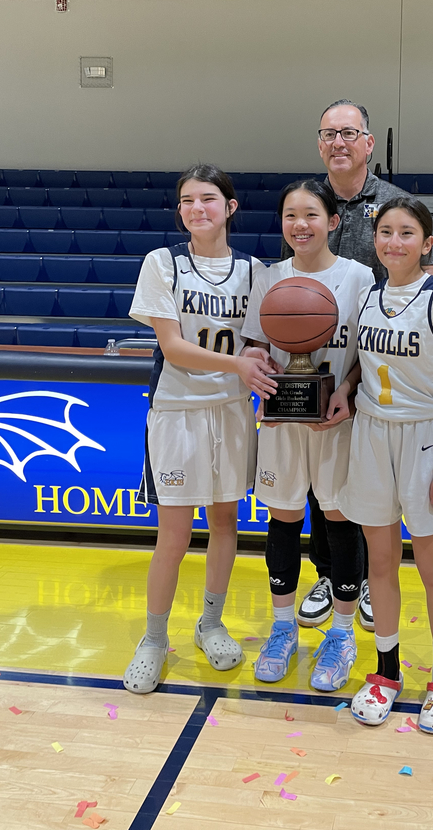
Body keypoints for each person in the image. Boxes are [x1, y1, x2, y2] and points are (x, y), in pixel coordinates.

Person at [123, 164, 279, 694]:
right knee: (174, 533)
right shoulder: (162, 263)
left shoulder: (255, 271)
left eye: (208, 198)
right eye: (187, 200)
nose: (196, 208)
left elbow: (259, 343)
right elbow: (171, 346)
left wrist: (257, 363)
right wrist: (239, 364)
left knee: (226, 523)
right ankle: (152, 638)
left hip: (232, 411)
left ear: (230, 207)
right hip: (177, 410)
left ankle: (210, 623)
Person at [285, 100, 433, 631]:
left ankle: (373, 579)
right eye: (329, 134)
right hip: (319, 365)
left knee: (369, 485)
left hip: (375, 368)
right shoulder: (308, 202)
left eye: (349, 133)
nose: (339, 142)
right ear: (319, 143)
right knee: (322, 484)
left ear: (369, 143)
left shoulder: (395, 203)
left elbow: (422, 281)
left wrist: (357, 380)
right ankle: (329, 575)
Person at [338, 197, 433, 733]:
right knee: (379, 564)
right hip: (371, 434)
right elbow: (363, 364)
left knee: (432, 567)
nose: (393, 242)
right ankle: (387, 672)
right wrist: (346, 389)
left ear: (427, 243)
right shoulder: (369, 297)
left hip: (425, 437)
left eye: (406, 233)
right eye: (385, 232)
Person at [241, 180, 373, 690]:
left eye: (311, 214)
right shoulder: (268, 277)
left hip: (336, 420)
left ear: (333, 221)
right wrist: (259, 374)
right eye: (290, 215)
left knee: (339, 517)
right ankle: (282, 628)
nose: (300, 224)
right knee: (283, 516)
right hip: (282, 420)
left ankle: (341, 633)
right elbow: (253, 346)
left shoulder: (358, 277)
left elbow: (367, 354)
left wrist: (348, 392)